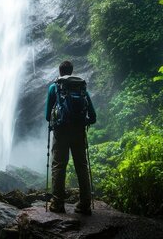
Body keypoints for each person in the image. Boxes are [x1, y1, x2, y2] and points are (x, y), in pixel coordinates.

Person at [45, 60, 96, 214]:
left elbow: (48, 116)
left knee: (59, 166)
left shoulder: (54, 87)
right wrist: (82, 122)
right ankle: (85, 204)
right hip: (79, 132)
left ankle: (58, 203)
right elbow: (93, 116)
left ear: (60, 72)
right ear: (72, 71)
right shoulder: (82, 88)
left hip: (61, 133)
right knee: (81, 166)